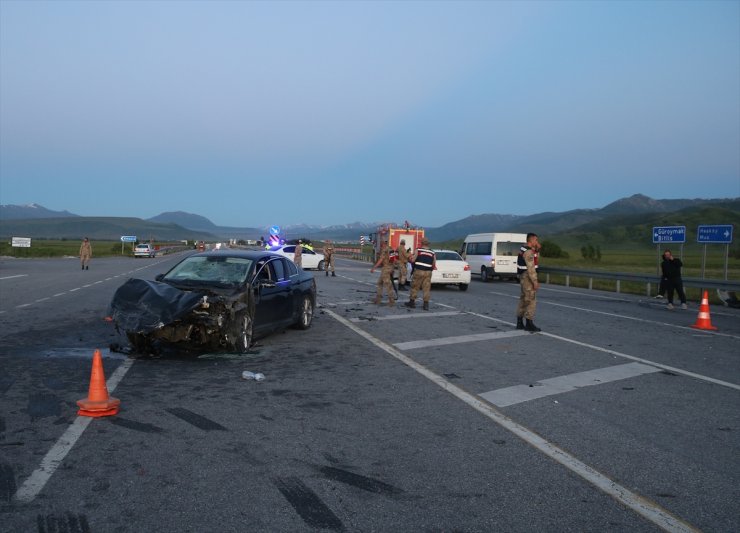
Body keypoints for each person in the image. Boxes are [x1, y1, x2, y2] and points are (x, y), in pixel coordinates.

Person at [516, 232, 541, 332]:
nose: (537, 242)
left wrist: (538, 248)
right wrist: (535, 282)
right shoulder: (528, 252)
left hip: (523, 277)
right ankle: (529, 323)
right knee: (531, 300)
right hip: (528, 279)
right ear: (532, 240)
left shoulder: (523, 249)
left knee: (523, 300)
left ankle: (519, 322)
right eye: (536, 240)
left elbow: (536, 254)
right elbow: (531, 268)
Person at [404, 238, 435, 311]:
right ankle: (426, 305)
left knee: (415, 286)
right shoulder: (432, 253)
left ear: (422, 243)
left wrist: (409, 258)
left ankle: (412, 302)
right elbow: (434, 264)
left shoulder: (418, 250)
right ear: (428, 244)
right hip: (428, 272)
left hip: (419, 271)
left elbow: (413, 260)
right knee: (426, 288)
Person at [370, 240, 395, 306]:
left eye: (381, 244)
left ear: (383, 244)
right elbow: (394, 260)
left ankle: (391, 301)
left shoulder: (385, 250)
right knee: (379, 283)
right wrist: (392, 269)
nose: (381, 246)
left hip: (386, 269)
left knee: (388, 285)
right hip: (390, 268)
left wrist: (374, 268)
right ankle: (378, 299)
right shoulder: (391, 249)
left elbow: (381, 260)